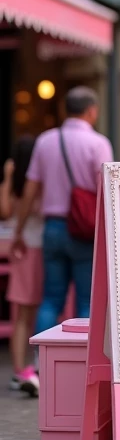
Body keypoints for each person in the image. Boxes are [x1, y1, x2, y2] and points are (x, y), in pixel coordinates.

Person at [12, 86, 113, 334]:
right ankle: (82, 364)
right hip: (85, 229)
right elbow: (106, 191)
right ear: (92, 111)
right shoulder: (98, 143)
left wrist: (20, 230)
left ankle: (40, 362)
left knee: (51, 299)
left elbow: (30, 190)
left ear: (64, 110)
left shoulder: (45, 141)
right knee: (86, 301)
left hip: (53, 227)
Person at [0, 137, 42, 395]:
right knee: (51, 309)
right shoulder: (42, 179)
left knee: (22, 315)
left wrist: (6, 177)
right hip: (43, 246)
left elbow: (4, 211)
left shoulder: (15, 184)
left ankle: (19, 369)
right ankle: (41, 366)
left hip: (23, 249)